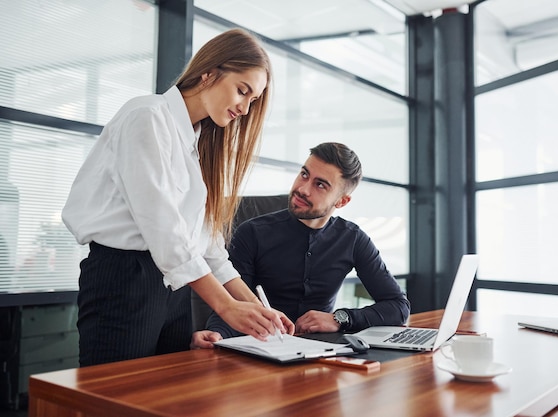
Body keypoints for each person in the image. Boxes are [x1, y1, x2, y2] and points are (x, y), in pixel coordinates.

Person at [62, 28, 294, 367]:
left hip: (173, 289)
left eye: (253, 100)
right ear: (210, 72)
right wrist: (226, 307)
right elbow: (163, 229)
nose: (245, 108)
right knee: (114, 400)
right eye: (242, 91)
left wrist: (259, 310)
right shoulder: (147, 116)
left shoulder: (197, 145)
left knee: (166, 398)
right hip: (125, 278)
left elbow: (209, 249)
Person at [191, 142, 410, 348]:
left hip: (323, 356)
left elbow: (398, 306)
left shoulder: (352, 239)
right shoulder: (252, 233)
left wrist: (340, 319)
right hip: (260, 350)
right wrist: (217, 334)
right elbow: (235, 304)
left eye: (320, 185)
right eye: (304, 174)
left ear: (341, 201)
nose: (303, 189)